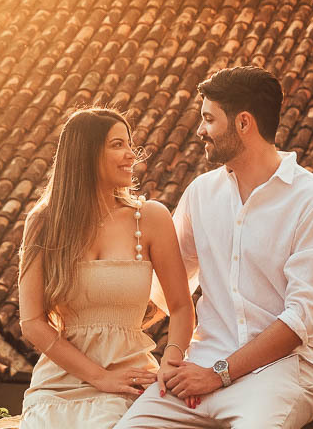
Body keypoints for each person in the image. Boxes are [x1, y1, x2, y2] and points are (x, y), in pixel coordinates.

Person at [115, 66, 313, 429]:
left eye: (209, 119)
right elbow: (166, 288)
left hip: (282, 373)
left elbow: (300, 319)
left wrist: (218, 374)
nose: (200, 130)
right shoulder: (201, 193)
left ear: (244, 123)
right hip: (201, 365)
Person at [19, 107, 196, 428]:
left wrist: (170, 363)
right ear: (86, 153)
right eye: (117, 145)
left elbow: (182, 307)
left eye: (129, 144)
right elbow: (32, 323)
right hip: (57, 386)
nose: (131, 155)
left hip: (132, 380)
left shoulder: (151, 218)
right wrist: (99, 377)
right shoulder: (43, 222)